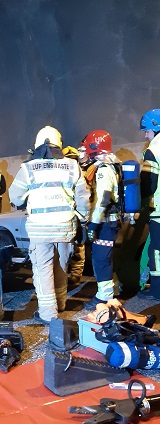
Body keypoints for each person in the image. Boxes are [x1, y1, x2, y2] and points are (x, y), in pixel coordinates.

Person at [9, 126, 90, 324]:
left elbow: (15, 197)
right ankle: (60, 303)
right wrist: (84, 219)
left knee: (43, 270)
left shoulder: (28, 168)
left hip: (40, 229)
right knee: (61, 266)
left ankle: (48, 314)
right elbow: (83, 198)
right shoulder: (72, 166)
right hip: (65, 228)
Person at [78, 130, 122, 309]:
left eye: (86, 148)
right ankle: (114, 290)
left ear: (94, 146)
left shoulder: (104, 169)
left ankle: (104, 297)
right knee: (106, 257)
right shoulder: (113, 164)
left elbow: (103, 199)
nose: (84, 152)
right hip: (110, 221)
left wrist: (93, 224)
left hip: (105, 222)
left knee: (100, 258)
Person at [137, 109, 160, 301]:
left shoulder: (154, 150)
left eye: (147, 131)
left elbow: (148, 183)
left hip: (159, 212)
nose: (146, 135)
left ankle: (157, 289)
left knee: (157, 252)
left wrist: (140, 204)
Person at [62, 146, 87, 285]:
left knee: (77, 246)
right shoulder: (77, 173)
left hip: (74, 214)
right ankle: (67, 274)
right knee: (69, 246)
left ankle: (75, 275)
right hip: (69, 214)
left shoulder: (80, 173)